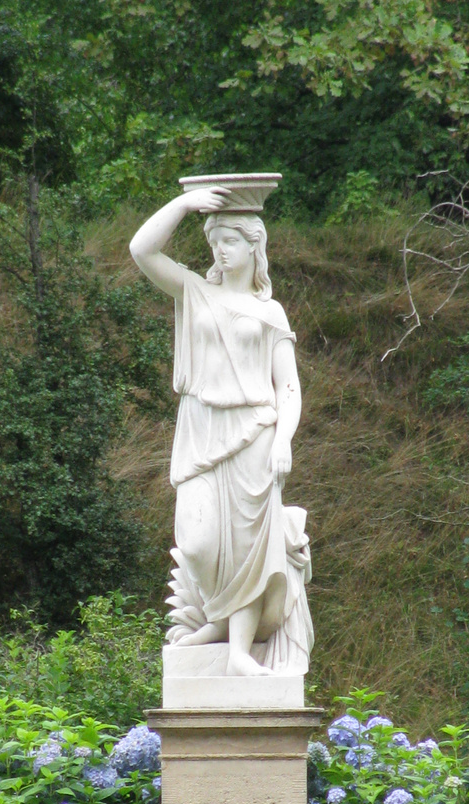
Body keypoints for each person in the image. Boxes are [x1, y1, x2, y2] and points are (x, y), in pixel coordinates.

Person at [129, 186, 312, 676]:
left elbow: (289, 387)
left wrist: (283, 441)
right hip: (201, 428)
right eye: (214, 241)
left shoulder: (270, 312)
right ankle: (218, 620)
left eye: (230, 239)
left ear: (256, 245)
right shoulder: (196, 293)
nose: (220, 250)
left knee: (249, 547)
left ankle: (236, 650)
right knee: (198, 542)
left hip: (253, 430)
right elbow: (142, 249)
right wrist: (185, 205)